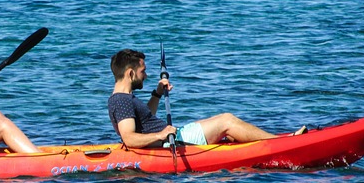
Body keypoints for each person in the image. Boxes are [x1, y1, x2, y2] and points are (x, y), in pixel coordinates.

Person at [107, 49, 306, 148]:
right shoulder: (122, 100)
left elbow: (146, 119)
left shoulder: (122, 98)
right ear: (131, 73)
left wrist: (157, 93)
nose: (146, 75)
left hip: (174, 135)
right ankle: (284, 145)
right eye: (143, 71)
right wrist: (161, 135)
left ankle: (271, 142)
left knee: (229, 133)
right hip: (172, 141)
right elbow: (129, 138)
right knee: (226, 121)